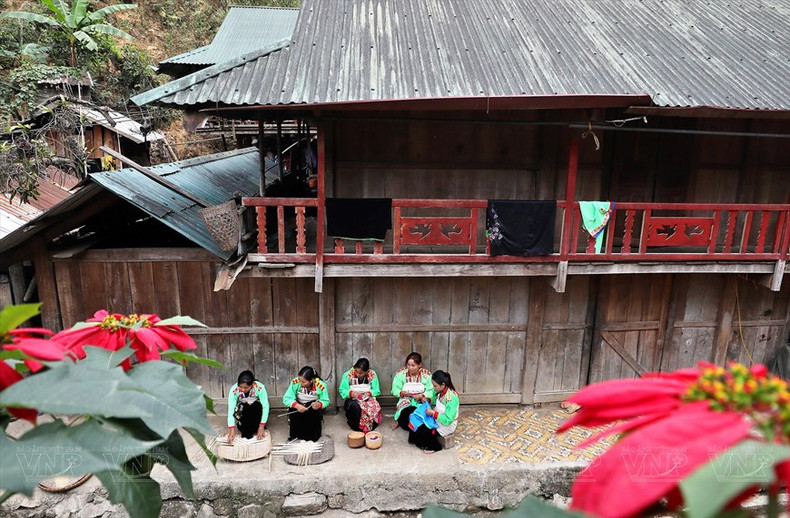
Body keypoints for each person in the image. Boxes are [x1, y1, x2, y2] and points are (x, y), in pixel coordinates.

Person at [408, 370, 460, 454]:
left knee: (423, 431)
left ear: (442, 385)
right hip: (437, 417)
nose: (433, 388)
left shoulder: (451, 398)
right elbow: (434, 400)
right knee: (415, 419)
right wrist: (427, 400)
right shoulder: (440, 391)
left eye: (435, 386)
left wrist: (433, 413)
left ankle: (436, 447)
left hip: (446, 424)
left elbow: (448, 420)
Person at [282, 366, 330, 441]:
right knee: (293, 410)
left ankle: (312, 435)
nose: (300, 383)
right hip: (299, 404)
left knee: (311, 412)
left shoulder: (321, 386)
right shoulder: (295, 382)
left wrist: (319, 405)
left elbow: (326, 401)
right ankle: (295, 435)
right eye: (300, 380)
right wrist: (297, 405)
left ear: (311, 380)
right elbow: (286, 398)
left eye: (303, 382)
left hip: (312, 406)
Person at [391, 352, 435, 431]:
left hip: (420, 400)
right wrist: (402, 393)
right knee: (404, 414)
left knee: (421, 413)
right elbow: (395, 389)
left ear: (420, 365)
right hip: (406, 399)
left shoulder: (426, 375)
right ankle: (399, 420)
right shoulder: (401, 374)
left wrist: (422, 396)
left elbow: (431, 390)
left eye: (413, 365)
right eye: (408, 365)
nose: (410, 368)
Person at [338, 357, 381, 432]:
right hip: (352, 399)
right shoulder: (348, 375)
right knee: (355, 407)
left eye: (361, 373)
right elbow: (342, 390)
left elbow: (376, 390)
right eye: (356, 371)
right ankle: (354, 424)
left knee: (373, 406)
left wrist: (369, 393)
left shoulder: (372, 375)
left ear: (366, 371)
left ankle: (368, 425)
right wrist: (351, 393)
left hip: (367, 398)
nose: (358, 374)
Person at [227, 370, 269, 444]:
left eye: (246, 388)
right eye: (240, 387)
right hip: (243, 410)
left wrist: (262, 426)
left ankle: (259, 424)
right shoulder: (234, 390)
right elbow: (231, 410)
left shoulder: (260, 387)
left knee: (257, 406)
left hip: (255, 409)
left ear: (252, 384)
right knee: (246, 434)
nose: (243, 390)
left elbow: (265, 406)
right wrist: (231, 430)